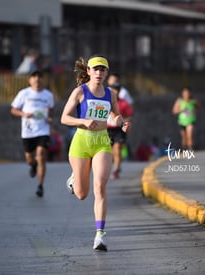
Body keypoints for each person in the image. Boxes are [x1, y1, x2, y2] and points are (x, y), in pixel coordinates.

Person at [60, 55, 131, 251]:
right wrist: (82, 121)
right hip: (81, 141)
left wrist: (121, 123)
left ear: (106, 73)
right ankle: (74, 178)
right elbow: (64, 118)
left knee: (99, 187)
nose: (99, 73)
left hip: (101, 142)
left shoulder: (111, 94)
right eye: (96, 69)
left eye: (103, 70)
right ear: (89, 71)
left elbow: (114, 116)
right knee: (82, 194)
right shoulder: (80, 92)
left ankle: (100, 235)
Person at [11, 70, 54, 197]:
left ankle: (40, 185)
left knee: (41, 155)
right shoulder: (24, 93)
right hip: (28, 131)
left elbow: (50, 111)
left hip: (43, 130)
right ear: (30, 80)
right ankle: (33, 165)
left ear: (42, 80)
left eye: (39, 77)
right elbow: (13, 109)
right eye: (34, 77)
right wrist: (24, 114)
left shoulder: (48, 95)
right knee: (29, 159)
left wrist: (49, 118)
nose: (37, 80)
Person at [107, 83, 133, 179]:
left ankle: (116, 170)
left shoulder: (123, 103)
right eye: (113, 90)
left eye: (117, 90)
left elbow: (129, 115)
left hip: (119, 129)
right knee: (108, 151)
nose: (115, 92)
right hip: (107, 129)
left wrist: (125, 123)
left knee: (117, 150)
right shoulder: (105, 101)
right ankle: (108, 168)